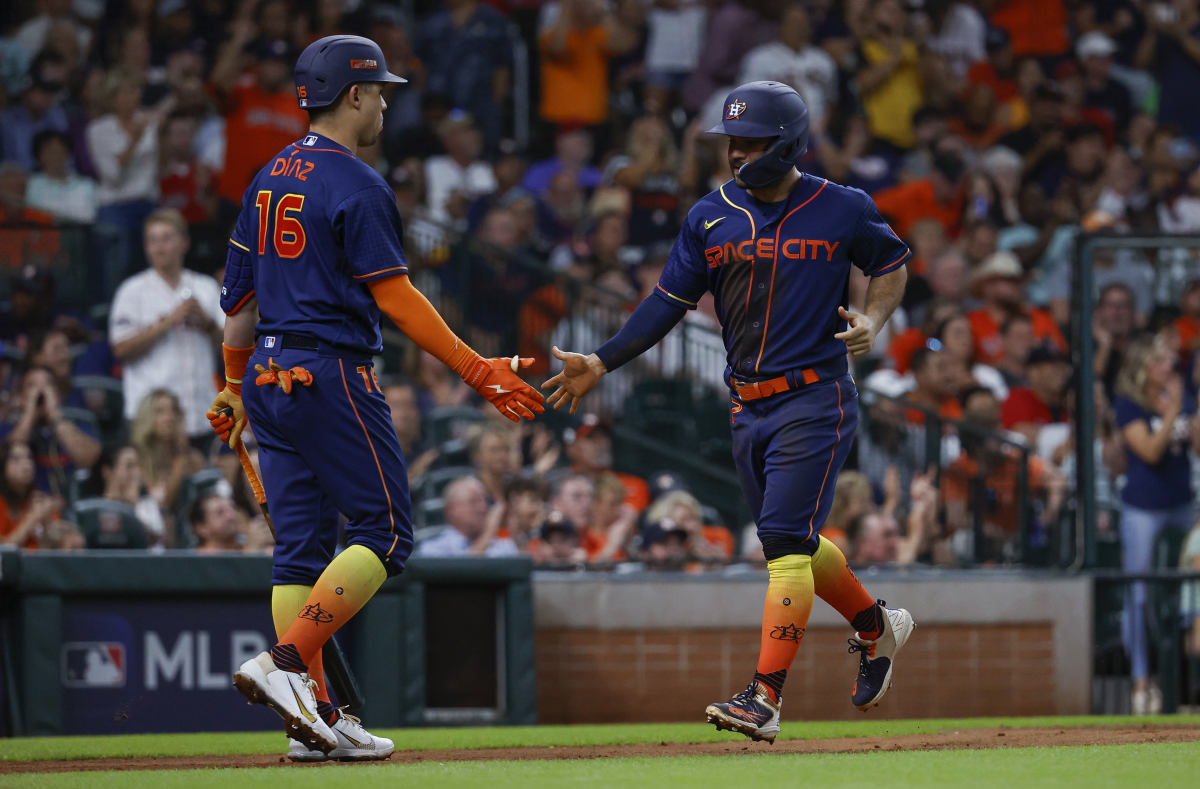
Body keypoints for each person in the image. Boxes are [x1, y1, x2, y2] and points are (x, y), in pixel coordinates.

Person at [543, 81, 915, 742]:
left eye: (752, 142)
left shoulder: (841, 205)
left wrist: (876, 318)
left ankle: (765, 697)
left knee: (779, 544)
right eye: (731, 141)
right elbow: (665, 303)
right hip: (745, 404)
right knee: (793, 539)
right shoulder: (708, 215)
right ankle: (875, 624)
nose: (738, 153)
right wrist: (601, 361)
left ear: (789, 142)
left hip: (815, 396)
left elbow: (892, 261)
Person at [208, 35, 543, 761]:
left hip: (266, 376)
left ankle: (318, 721)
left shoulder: (267, 177)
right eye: (380, 89)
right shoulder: (355, 181)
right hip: (330, 372)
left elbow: (236, 304)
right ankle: (284, 664)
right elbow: (396, 297)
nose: (387, 100)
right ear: (353, 94)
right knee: (386, 534)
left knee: (299, 553)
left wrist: (231, 389)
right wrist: (476, 367)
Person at [1112, 333, 1200, 715]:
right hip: (1144, 506)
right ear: (1146, 365)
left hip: (1183, 502)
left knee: (1193, 583)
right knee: (1139, 591)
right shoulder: (1130, 403)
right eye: (1163, 360)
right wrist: (1171, 414)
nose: (1171, 367)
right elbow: (1148, 451)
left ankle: (1186, 678)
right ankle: (1141, 681)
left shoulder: (1182, 399)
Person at [109, 209, 224, 442]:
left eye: (167, 238)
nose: (159, 247)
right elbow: (121, 349)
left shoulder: (205, 286)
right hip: (152, 419)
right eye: (152, 240)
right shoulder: (132, 291)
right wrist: (168, 322)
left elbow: (230, 346)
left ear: (185, 242)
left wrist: (206, 322)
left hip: (202, 412)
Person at [414, 476, 519, 558]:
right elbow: (460, 577)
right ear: (451, 510)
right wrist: (488, 534)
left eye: (485, 501)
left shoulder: (503, 544)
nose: (483, 507)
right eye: (474, 501)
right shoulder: (433, 549)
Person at [0, 440, 60, 549]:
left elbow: (58, 548)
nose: (26, 464)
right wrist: (33, 518)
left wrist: (47, 521)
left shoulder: (41, 501)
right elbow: (4, 549)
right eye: (16, 459)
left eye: (29, 458)